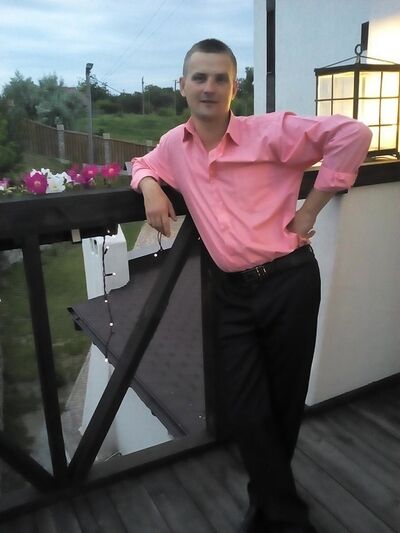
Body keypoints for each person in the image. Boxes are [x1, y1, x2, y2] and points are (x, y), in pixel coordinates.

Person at [130, 39, 372, 533]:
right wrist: (150, 186)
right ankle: (283, 511)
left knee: (284, 400)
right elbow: (143, 163)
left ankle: (268, 507)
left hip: (289, 282)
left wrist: (309, 209)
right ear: (182, 86)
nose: (209, 87)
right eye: (199, 77)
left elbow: (353, 133)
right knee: (244, 405)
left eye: (220, 78)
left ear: (234, 88)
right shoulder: (175, 144)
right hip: (231, 293)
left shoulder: (271, 131)